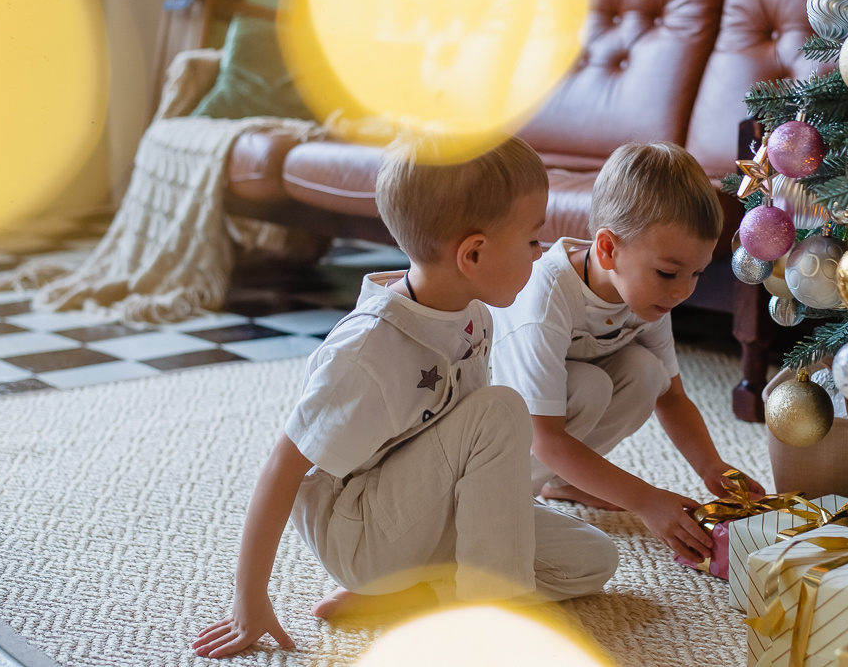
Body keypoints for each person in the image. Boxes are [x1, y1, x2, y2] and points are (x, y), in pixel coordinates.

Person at [191, 135, 618, 659]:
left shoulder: (472, 312)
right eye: (533, 241)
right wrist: (249, 601)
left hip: (425, 514)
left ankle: (418, 594)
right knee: (502, 408)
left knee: (593, 560)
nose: (543, 253)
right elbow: (282, 468)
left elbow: (466, 451)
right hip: (363, 535)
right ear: (474, 254)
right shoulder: (366, 349)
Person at [490, 141, 765, 565]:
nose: (682, 291)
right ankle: (509, 497)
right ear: (607, 249)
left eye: (697, 273)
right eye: (669, 272)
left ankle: (563, 483)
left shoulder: (649, 295)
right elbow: (544, 437)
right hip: (498, 421)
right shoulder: (546, 299)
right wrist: (646, 499)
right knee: (587, 387)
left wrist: (712, 467)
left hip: (560, 404)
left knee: (645, 372)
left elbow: (672, 396)